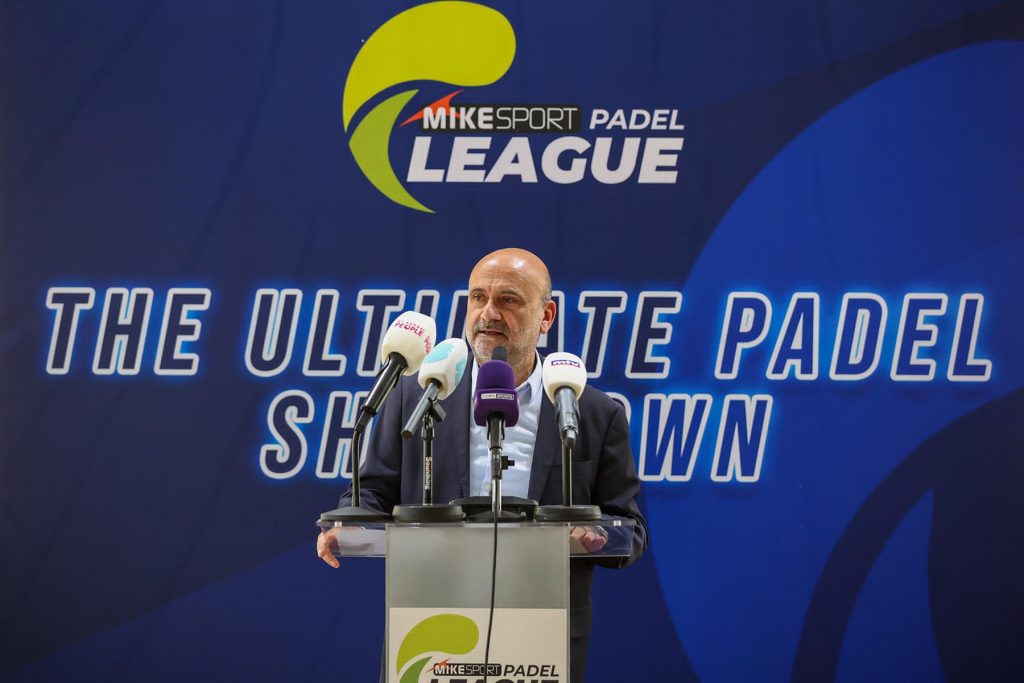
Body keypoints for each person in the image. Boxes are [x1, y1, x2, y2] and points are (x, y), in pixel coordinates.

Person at [318, 248, 648, 682]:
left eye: (508, 299)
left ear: (546, 316)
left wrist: (595, 536)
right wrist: (349, 525)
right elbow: (374, 490)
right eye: (478, 297)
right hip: (430, 625)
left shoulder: (592, 412)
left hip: (542, 633)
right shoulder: (415, 395)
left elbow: (630, 528)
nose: (488, 313)